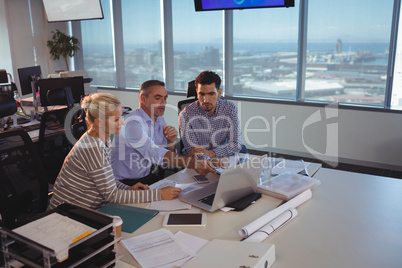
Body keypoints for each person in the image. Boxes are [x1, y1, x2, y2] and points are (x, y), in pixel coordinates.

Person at [48, 93, 181, 210]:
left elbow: (107, 179)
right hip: (69, 214)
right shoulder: (93, 148)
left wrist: (127, 188)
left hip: (90, 208)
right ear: (99, 122)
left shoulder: (104, 139)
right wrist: (159, 194)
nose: (122, 123)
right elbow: (111, 195)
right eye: (116, 119)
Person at [111, 80, 217, 187]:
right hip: (124, 183)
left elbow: (164, 153)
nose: (164, 103)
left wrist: (170, 142)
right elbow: (155, 153)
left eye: (165, 98)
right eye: (158, 98)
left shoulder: (159, 119)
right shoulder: (132, 123)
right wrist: (195, 163)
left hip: (146, 176)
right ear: (143, 98)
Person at [179, 71, 242, 159]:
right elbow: (194, 151)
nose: (206, 100)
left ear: (219, 92)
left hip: (221, 157)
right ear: (197, 92)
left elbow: (236, 144)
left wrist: (212, 153)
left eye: (211, 94)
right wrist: (210, 162)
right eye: (202, 94)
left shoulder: (230, 108)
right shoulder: (185, 115)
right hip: (196, 162)